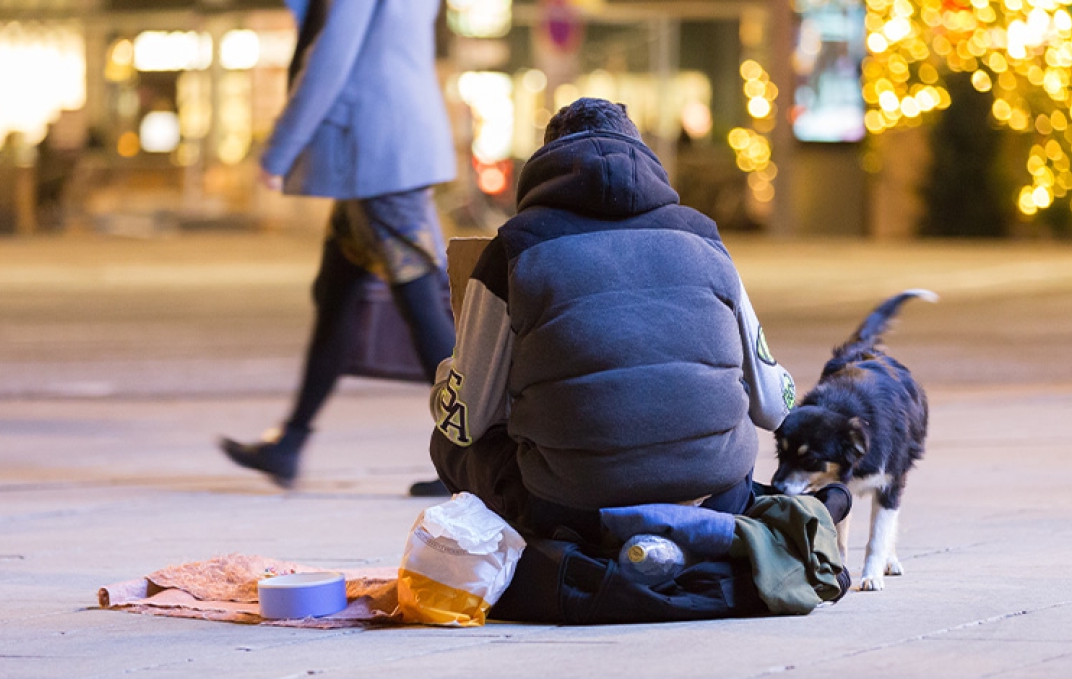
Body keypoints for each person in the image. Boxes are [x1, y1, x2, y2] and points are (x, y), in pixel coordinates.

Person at [427, 98, 839, 543]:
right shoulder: (703, 236)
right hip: (719, 499)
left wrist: (448, 378)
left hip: (574, 511)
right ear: (644, 156)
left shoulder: (513, 249)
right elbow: (775, 407)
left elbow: (464, 420)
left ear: (546, 164)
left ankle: (545, 557)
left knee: (447, 445)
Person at [220, 0, 456, 490]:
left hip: (377, 156)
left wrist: (280, 148)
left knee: (422, 306)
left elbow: (332, 56)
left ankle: (475, 453)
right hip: (381, 149)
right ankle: (291, 442)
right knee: (337, 298)